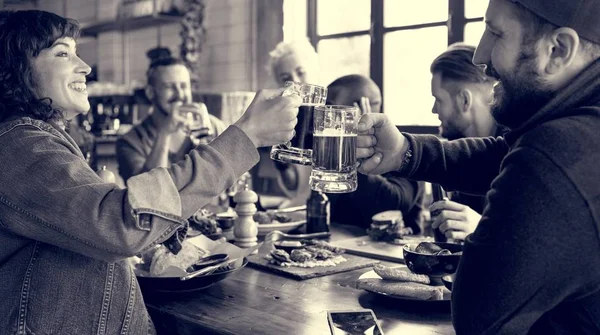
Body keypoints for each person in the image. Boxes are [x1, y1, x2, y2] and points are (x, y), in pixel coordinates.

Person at [0, 9, 301, 334]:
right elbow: (119, 225)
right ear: (16, 70)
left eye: (77, 52)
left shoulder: (39, 140)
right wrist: (247, 136)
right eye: (63, 53)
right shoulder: (21, 145)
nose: (85, 67)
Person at [356, 0, 600, 333]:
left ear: (558, 50)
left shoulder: (560, 150)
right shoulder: (581, 124)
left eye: (496, 33)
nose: (479, 55)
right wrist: (403, 152)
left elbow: (478, 316)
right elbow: (504, 152)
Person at [325, 74, 423, 231]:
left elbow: (392, 205)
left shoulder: (403, 149)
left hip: (397, 251)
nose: (325, 115)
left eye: (330, 107)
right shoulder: (333, 150)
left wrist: (359, 158)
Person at [428, 43, 504, 241]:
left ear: (464, 100)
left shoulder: (516, 151)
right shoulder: (458, 156)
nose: (434, 110)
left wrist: (482, 229)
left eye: (439, 100)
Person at [116, 56, 227, 182]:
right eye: (170, 87)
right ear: (150, 93)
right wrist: (164, 134)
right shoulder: (130, 142)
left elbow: (235, 180)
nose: (180, 94)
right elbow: (148, 192)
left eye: (184, 86)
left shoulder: (214, 127)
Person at [251, 40, 320, 207]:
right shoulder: (286, 122)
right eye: (286, 78)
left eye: (301, 72)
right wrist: (282, 166)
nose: (295, 82)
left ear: (314, 70)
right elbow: (294, 187)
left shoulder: (335, 115)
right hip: (300, 209)